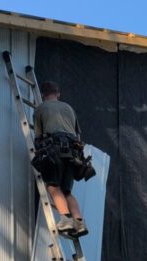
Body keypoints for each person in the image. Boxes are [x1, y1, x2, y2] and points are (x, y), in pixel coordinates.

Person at [33, 80, 88, 238]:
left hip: (54, 150)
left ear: (43, 95)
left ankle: (65, 219)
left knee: (52, 186)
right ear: (58, 94)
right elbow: (78, 133)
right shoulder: (68, 108)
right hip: (73, 153)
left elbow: (38, 136)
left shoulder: (41, 108)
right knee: (67, 191)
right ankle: (79, 222)